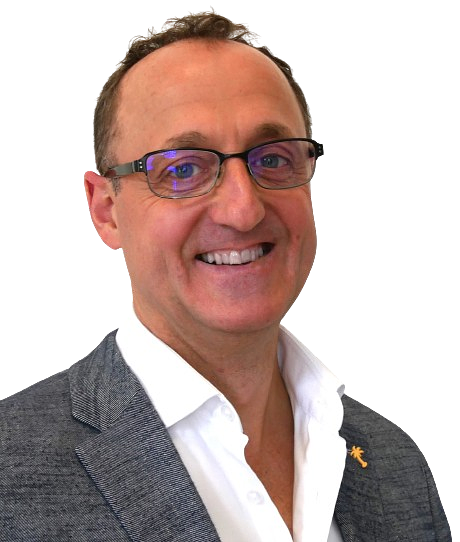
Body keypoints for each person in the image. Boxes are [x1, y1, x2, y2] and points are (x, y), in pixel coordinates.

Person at [0, 10, 451, 542]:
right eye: (183, 169)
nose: (243, 210)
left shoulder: (396, 463)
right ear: (106, 210)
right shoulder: (9, 467)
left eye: (273, 159)